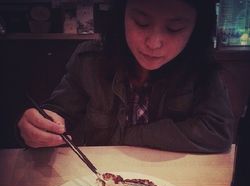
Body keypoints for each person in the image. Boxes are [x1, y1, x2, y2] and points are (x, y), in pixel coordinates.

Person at [17, 0, 234, 153]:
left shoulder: (200, 67)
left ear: (196, 29)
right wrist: (41, 125)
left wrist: (131, 136)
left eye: (174, 28)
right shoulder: (90, 60)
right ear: (121, 17)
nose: (153, 43)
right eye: (141, 22)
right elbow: (59, 113)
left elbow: (218, 131)